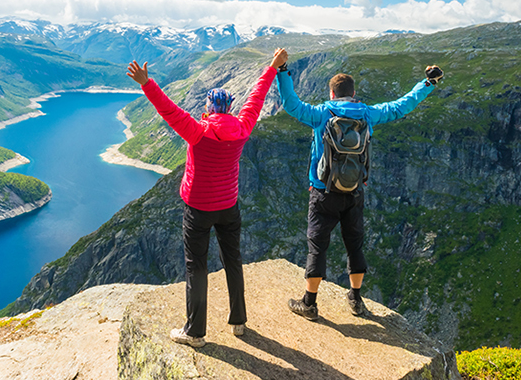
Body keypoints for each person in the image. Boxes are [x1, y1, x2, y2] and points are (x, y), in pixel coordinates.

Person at [126, 48, 289, 347]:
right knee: (233, 260)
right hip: (229, 206)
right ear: (228, 107)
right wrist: (272, 68)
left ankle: (195, 333)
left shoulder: (198, 131)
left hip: (198, 209)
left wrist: (146, 83)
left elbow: (169, 110)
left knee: (196, 266)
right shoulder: (242, 127)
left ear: (209, 107)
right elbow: (256, 98)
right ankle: (238, 321)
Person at [276, 55, 443, 320]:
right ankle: (355, 299)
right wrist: (427, 83)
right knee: (355, 245)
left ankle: (309, 303)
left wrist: (282, 71)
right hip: (354, 192)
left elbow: (291, 104)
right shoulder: (367, 113)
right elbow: (401, 106)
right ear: (353, 93)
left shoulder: (321, 113)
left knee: (317, 246)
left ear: (332, 93)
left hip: (323, 191)